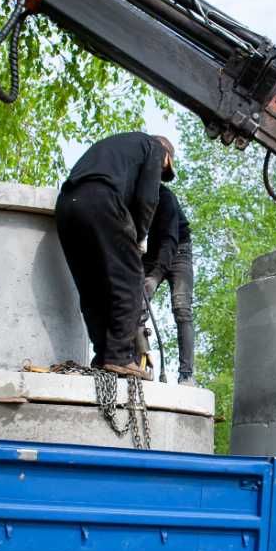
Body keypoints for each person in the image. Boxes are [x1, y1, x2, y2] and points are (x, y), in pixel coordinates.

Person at [54, 131, 174, 378]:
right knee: (130, 279)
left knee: (93, 285)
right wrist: (139, 236)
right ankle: (119, 356)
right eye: (164, 172)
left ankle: (104, 356)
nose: (161, 176)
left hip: (67, 205)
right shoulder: (154, 146)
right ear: (167, 157)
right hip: (102, 200)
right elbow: (146, 198)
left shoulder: (117, 147)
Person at [141, 186, 194, 384]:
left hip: (179, 249)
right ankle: (138, 360)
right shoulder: (133, 194)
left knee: (182, 309)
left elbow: (170, 242)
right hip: (153, 251)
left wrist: (154, 277)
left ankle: (186, 374)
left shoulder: (165, 198)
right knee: (134, 301)